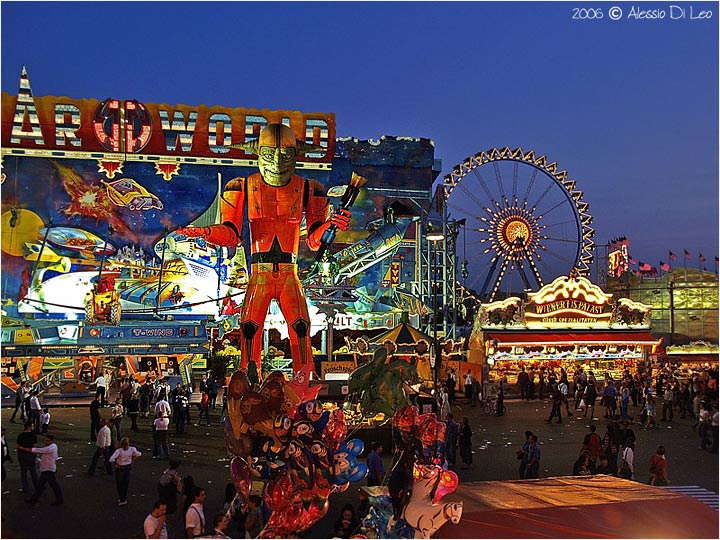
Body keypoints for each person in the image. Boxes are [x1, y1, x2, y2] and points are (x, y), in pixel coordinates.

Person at [178, 123, 353, 379]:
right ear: (258, 153)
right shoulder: (241, 186)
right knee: (249, 330)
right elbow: (231, 235)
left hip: (288, 274)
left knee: (301, 329)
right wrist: (206, 233)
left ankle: (303, 383)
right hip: (259, 274)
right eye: (270, 154)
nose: (277, 162)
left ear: (295, 155)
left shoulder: (309, 188)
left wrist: (330, 225)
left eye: (285, 155)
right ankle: (249, 383)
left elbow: (315, 241)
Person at [22, 433, 63, 506]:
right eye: (45, 441)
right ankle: (34, 500)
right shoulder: (53, 446)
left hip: (49, 470)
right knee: (40, 486)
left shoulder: (50, 448)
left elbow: (38, 450)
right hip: (47, 469)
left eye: (48, 441)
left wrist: (23, 448)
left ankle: (59, 500)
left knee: (53, 486)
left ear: (52, 441)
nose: (46, 442)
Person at [109, 436, 142, 505]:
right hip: (128, 467)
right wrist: (133, 458)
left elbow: (111, 459)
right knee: (125, 484)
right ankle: (123, 498)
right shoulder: (132, 449)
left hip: (120, 468)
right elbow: (139, 454)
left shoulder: (119, 451)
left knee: (119, 484)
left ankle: (122, 499)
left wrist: (116, 464)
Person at [157, 459, 183, 536]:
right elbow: (179, 489)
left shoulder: (163, 479)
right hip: (171, 507)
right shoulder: (171, 485)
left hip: (162, 506)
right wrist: (178, 481)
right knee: (170, 529)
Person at [16, 421, 38, 494]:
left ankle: (25, 488)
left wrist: (23, 449)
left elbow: (18, 446)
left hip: (22, 455)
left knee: (24, 473)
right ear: (29, 427)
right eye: (32, 426)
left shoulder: (20, 435)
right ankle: (37, 486)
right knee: (33, 472)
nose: (33, 427)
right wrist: (35, 456)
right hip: (30, 455)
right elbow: (35, 447)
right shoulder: (33, 435)